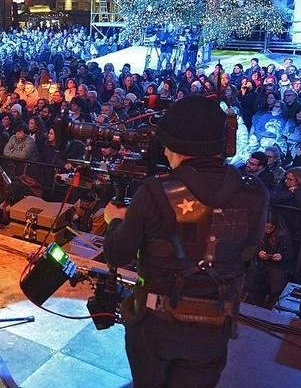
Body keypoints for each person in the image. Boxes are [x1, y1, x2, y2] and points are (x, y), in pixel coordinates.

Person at [102, 95, 268, 388]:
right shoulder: (255, 192)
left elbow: (116, 253)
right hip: (214, 326)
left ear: (177, 146)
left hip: (155, 326)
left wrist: (115, 220)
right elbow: (246, 258)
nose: (164, 152)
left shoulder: (155, 191)